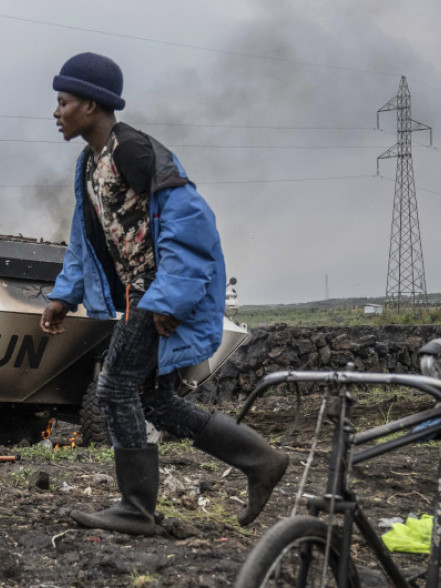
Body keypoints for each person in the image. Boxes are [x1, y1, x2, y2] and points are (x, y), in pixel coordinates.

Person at [41, 52, 288, 536]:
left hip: (156, 295)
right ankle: (261, 460)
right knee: (154, 401)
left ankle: (137, 509)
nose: (56, 111)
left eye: (63, 101)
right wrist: (64, 295)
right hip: (141, 295)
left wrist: (170, 300)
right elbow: (86, 235)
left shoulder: (134, 151)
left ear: (90, 105)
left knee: (114, 388)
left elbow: (191, 221)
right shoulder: (90, 163)